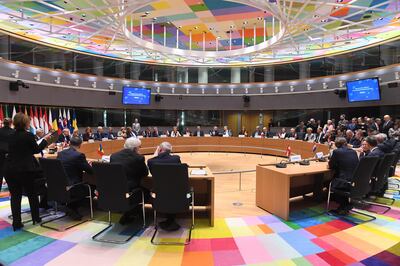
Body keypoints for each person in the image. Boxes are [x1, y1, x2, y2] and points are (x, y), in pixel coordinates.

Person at [4, 113, 50, 231]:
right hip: (25, 169)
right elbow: (35, 149)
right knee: (32, 194)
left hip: (10, 169)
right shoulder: (28, 135)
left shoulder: (10, 135)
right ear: (26, 123)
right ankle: (36, 218)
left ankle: (17, 223)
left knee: (15, 197)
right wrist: (45, 141)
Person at [110, 137, 149, 224]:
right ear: (135, 148)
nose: (140, 149)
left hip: (115, 190)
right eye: (140, 147)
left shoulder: (114, 156)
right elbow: (145, 173)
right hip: (130, 192)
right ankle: (134, 212)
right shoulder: (138, 158)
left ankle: (129, 213)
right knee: (149, 192)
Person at [147, 142, 181, 231]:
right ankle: (171, 218)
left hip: (158, 195)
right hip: (177, 195)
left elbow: (151, 170)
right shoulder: (176, 158)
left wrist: (155, 154)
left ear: (160, 150)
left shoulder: (151, 161)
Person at [57, 136, 93, 220]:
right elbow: (90, 171)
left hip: (60, 186)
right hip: (73, 187)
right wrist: (88, 164)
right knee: (92, 187)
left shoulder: (61, 153)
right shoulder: (79, 155)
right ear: (80, 145)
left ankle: (69, 206)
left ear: (69, 143)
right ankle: (72, 207)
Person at [328, 137, 359, 215]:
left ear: (336, 144)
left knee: (330, 182)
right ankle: (346, 204)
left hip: (344, 182)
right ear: (345, 143)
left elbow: (331, 166)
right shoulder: (353, 152)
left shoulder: (336, 152)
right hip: (355, 180)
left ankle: (344, 205)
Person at [0, 118, 14, 192]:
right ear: (11, 123)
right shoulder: (14, 132)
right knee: (12, 182)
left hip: (0, 157)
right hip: (10, 158)